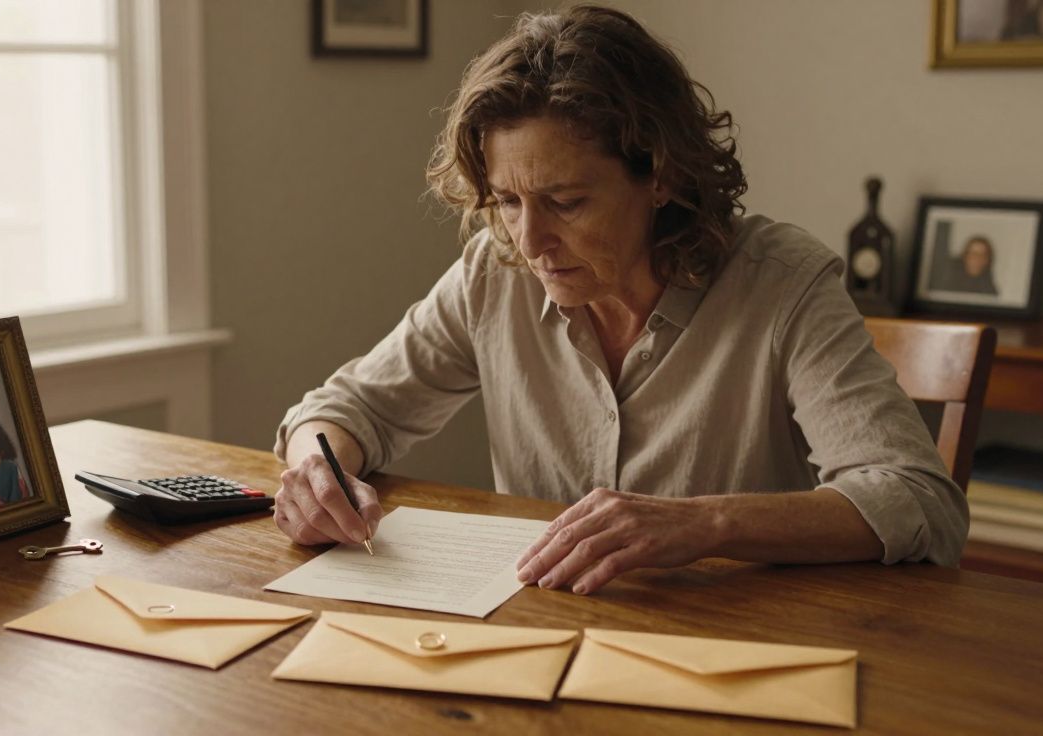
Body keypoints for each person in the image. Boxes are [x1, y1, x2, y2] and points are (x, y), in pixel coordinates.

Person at [271, 5, 967, 595]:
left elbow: (916, 497)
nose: (530, 239)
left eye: (565, 202)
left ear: (659, 175)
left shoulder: (783, 283)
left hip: (738, 645)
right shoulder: (495, 271)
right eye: (508, 201)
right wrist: (318, 471)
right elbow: (346, 410)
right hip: (535, 637)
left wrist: (704, 523)